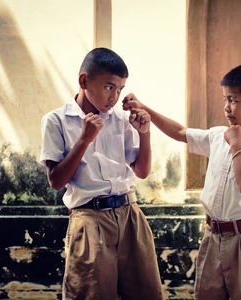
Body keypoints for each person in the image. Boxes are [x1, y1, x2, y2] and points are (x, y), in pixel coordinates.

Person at [123, 63, 241, 299]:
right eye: (225, 99)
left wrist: (237, 144)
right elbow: (180, 132)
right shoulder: (218, 135)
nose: (226, 107)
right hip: (213, 236)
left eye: (234, 100)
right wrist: (143, 107)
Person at [40, 47, 163, 300]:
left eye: (120, 89)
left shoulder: (120, 119)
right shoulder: (56, 121)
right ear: (84, 81)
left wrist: (145, 132)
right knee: (91, 294)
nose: (115, 97)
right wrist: (84, 139)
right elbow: (55, 181)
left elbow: (141, 171)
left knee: (145, 293)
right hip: (90, 218)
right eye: (109, 87)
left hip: (130, 215)